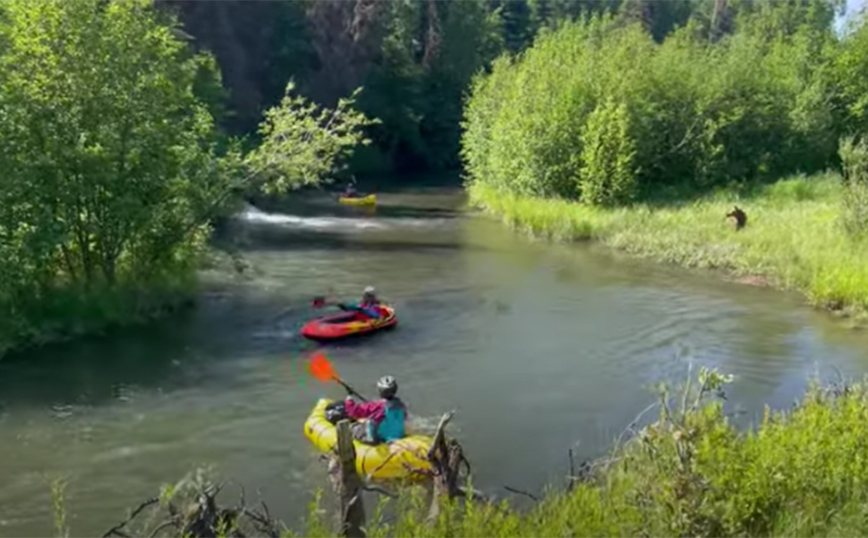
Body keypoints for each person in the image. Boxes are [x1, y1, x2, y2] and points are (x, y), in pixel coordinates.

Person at [344, 375, 408, 444]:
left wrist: (349, 397)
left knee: (353, 427)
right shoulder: (401, 405)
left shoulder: (377, 406)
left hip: (378, 439)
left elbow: (354, 411)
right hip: (398, 436)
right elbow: (403, 417)